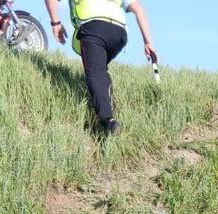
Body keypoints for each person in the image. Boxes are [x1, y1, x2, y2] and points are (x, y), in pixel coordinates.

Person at [45, 0, 158, 136]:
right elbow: (138, 8)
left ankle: (108, 121)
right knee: (100, 71)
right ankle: (108, 108)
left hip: (93, 26)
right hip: (119, 33)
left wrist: (55, 23)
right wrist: (148, 41)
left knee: (95, 74)